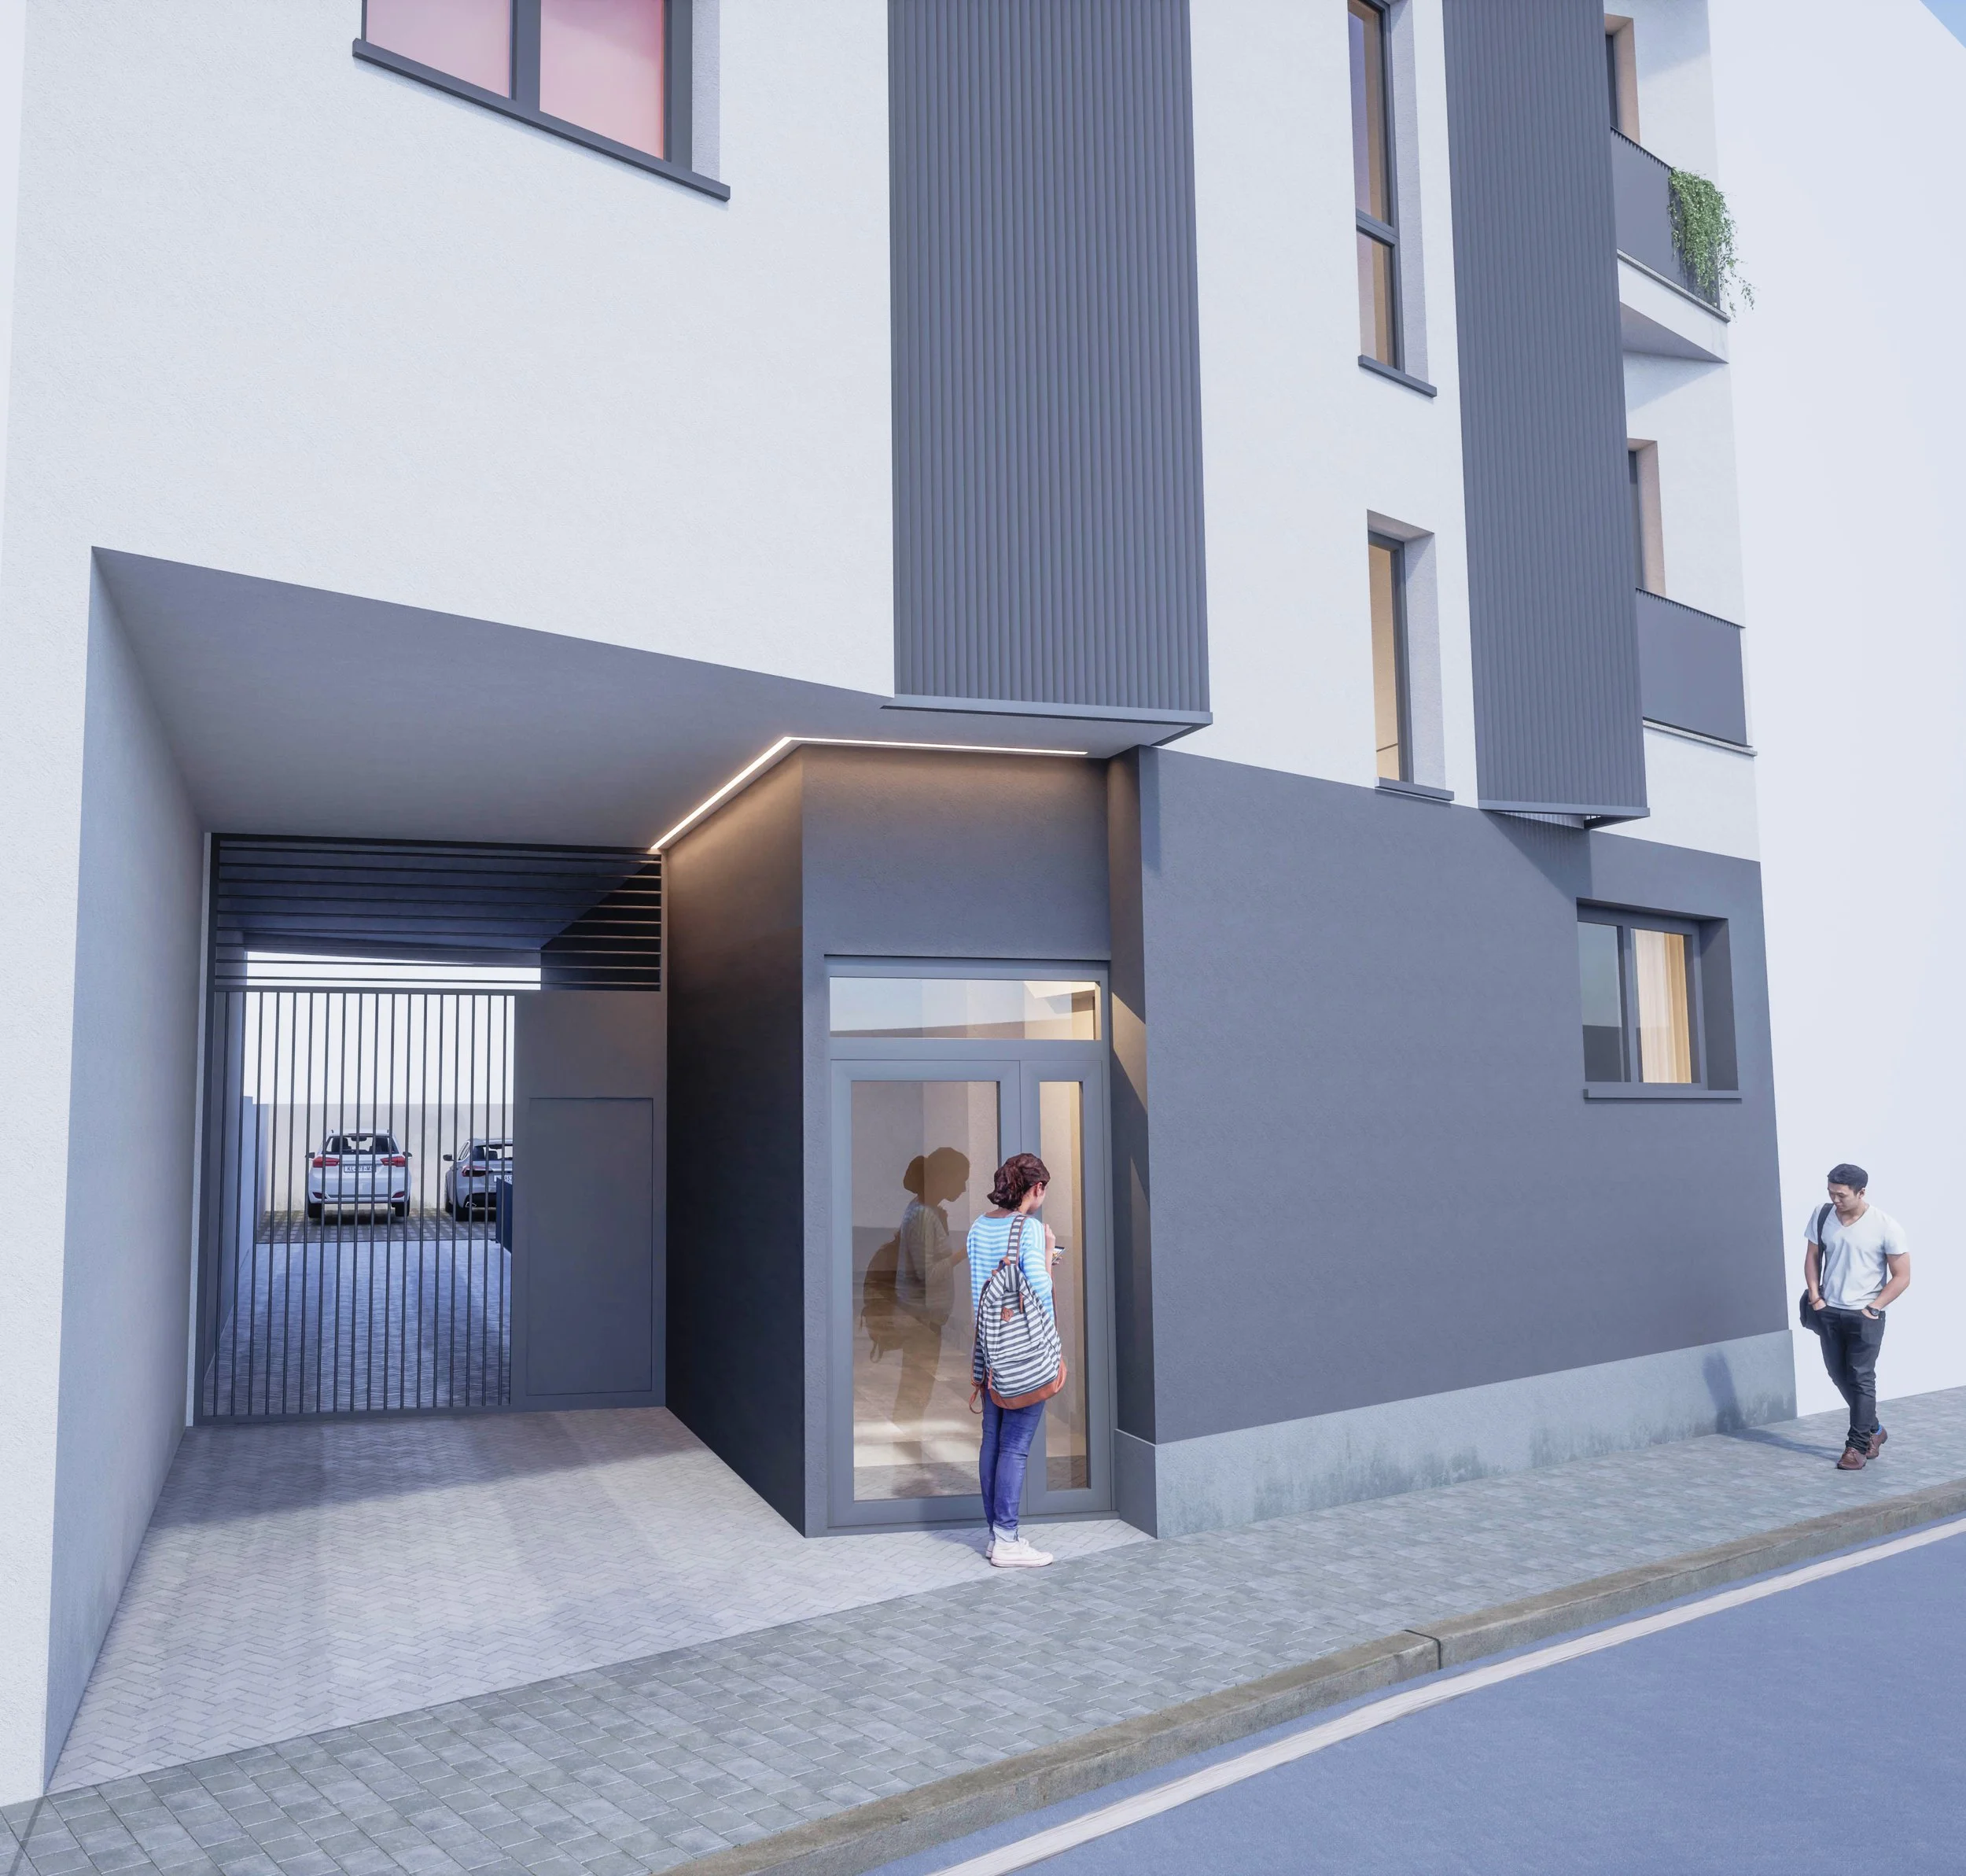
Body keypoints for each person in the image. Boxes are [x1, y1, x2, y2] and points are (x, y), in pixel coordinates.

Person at [967, 1151, 1062, 1568]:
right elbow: (1040, 1293)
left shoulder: (977, 1227)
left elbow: (979, 1290)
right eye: (1043, 1191)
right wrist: (1049, 1253)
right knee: (1016, 1448)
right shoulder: (1029, 1229)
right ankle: (1007, 1540)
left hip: (990, 1350)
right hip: (1023, 1353)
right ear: (1036, 1188)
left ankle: (995, 1535)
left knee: (993, 1441)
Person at [1804, 1162, 1911, 1471]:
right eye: (1831, 1194)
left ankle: (1856, 1446)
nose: (1835, 1201)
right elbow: (1812, 1257)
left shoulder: (1886, 1226)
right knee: (1839, 1376)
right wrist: (1815, 1296)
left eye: (1841, 1196)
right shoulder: (1822, 1215)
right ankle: (1875, 1430)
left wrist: (1874, 1308)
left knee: (1862, 1378)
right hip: (1829, 1311)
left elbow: (1902, 1276)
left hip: (1865, 1316)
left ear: (1861, 1192)